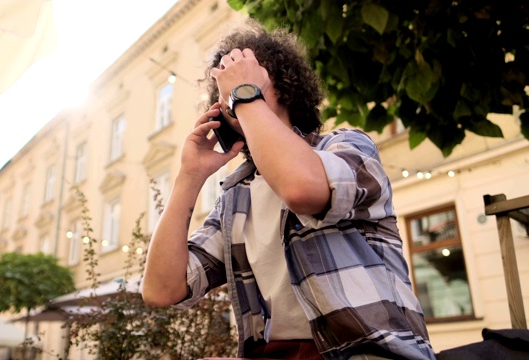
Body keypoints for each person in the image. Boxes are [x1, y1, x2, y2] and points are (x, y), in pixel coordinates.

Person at [142, 20, 435, 360]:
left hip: (363, 352)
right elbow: (161, 290)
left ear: (281, 86)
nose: (233, 93)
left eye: (244, 78)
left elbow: (301, 190)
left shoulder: (345, 146)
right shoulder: (236, 197)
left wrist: (245, 94)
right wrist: (189, 177)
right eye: (226, 90)